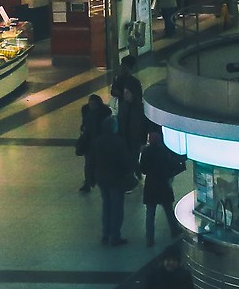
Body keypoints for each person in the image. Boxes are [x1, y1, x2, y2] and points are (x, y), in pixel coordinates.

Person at [87, 115, 137, 246]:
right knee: (117, 208)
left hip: (102, 178)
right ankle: (115, 236)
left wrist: (90, 177)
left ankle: (106, 233)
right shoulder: (118, 142)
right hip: (116, 179)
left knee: (107, 206)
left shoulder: (98, 141)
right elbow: (125, 161)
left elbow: (91, 160)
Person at [138, 126, 184, 246]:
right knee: (168, 209)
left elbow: (143, 169)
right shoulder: (165, 151)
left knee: (150, 213)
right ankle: (174, 230)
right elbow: (173, 166)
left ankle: (149, 238)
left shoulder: (146, 152)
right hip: (163, 184)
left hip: (150, 185)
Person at [74, 94, 108, 194]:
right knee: (88, 163)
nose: (92, 106)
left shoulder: (103, 113)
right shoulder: (87, 111)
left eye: (93, 104)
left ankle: (93, 181)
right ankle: (88, 182)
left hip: (98, 141)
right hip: (89, 141)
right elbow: (84, 123)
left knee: (97, 163)